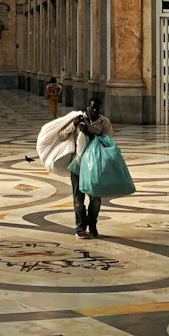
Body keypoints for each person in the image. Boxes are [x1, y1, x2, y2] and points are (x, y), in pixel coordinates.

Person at [60, 97, 112, 238]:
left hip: (95, 165)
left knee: (95, 199)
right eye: (91, 108)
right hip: (78, 164)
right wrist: (73, 126)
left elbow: (108, 142)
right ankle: (80, 227)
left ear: (100, 110)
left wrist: (90, 133)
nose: (93, 111)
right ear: (87, 107)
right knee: (78, 199)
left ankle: (93, 224)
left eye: (96, 109)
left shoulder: (104, 122)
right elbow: (62, 136)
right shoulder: (78, 119)